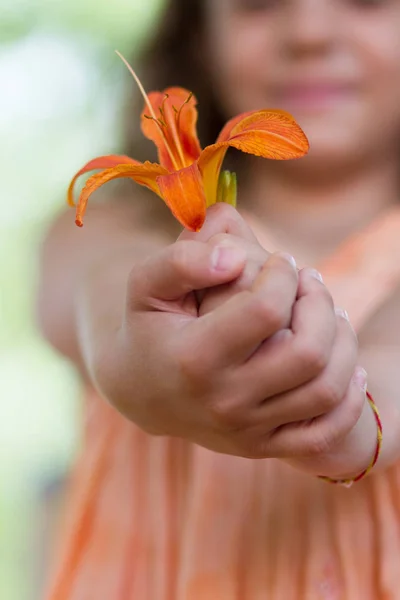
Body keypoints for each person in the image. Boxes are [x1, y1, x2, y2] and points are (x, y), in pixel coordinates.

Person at [38, 0, 400, 597]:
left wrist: (355, 419)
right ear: (199, 35)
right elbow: (93, 287)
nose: (309, 32)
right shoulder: (115, 226)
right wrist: (126, 350)